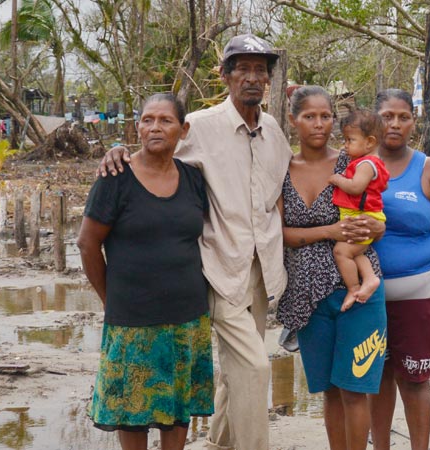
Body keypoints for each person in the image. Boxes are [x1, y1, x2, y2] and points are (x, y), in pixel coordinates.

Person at [98, 34, 292, 450]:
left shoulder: (274, 131)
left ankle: (218, 443)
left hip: (262, 272)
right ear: (225, 76)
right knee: (256, 368)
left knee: (238, 370)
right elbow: (154, 149)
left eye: (261, 70)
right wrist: (117, 151)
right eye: (243, 69)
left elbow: (279, 191)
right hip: (219, 268)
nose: (253, 78)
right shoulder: (200, 126)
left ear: (270, 80)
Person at [78, 93, 213, 450]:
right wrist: (112, 299)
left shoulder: (193, 178)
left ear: (183, 130)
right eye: (147, 120)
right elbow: (87, 244)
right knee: (131, 412)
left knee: (179, 408)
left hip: (188, 318)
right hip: (132, 320)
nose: (155, 127)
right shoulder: (115, 177)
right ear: (137, 127)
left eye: (165, 120)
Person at [276, 85, 387, 450]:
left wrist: (378, 226)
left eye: (326, 116)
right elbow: (278, 233)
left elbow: (376, 216)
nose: (319, 124)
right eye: (309, 116)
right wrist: (328, 231)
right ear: (294, 121)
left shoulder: (352, 163)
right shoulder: (280, 169)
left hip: (355, 290)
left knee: (354, 390)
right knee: (328, 391)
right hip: (306, 296)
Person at [368, 89, 430, 450]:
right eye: (387, 115)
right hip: (368, 297)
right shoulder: (357, 164)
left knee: (415, 379)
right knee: (376, 378)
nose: (395, 124)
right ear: (374, 118)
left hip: (418, 294)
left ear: (413, 121)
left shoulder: (429, 168)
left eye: (403, 117)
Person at [329, 107, 389, 311]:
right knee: (355, 252)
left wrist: (338, 179)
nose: (345, 146)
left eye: (350, 140)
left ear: (370, 142)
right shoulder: (374, 163)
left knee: (341, 252)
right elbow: (382, 186)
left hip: (362, 218)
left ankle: (354, 287)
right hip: (363, 215)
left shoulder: (365, 164)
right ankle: (370, 278)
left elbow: (355, 188)